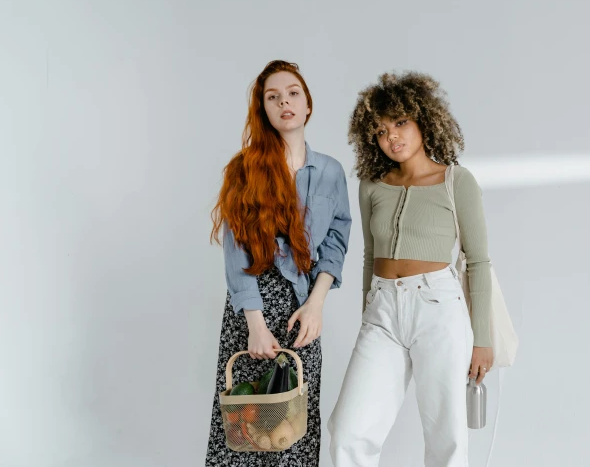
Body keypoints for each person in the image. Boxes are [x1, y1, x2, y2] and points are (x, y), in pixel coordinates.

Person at [328, 71, 493, 467]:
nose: (392, 137)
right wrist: (368, 313)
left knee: (446, 437)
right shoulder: (372, 185)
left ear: (423, 119)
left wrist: (482, 339)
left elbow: (479, 260)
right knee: (348, 430)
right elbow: (369, 256)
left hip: (438, 307)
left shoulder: (457, 181)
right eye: (381, 130)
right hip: (382, 311)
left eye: (400, 123)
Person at [205, 60, 351, 466]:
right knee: (246, 426)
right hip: (252, 309)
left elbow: (338, 241)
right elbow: (236, 253)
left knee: (295, 422)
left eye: (292, 94)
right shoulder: (245, 169)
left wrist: (317, 303)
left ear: (307, 105)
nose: (284, 101)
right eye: (273, 97)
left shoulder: (330, 172)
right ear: (264, 110)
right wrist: (255, 324)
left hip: (304, 307)